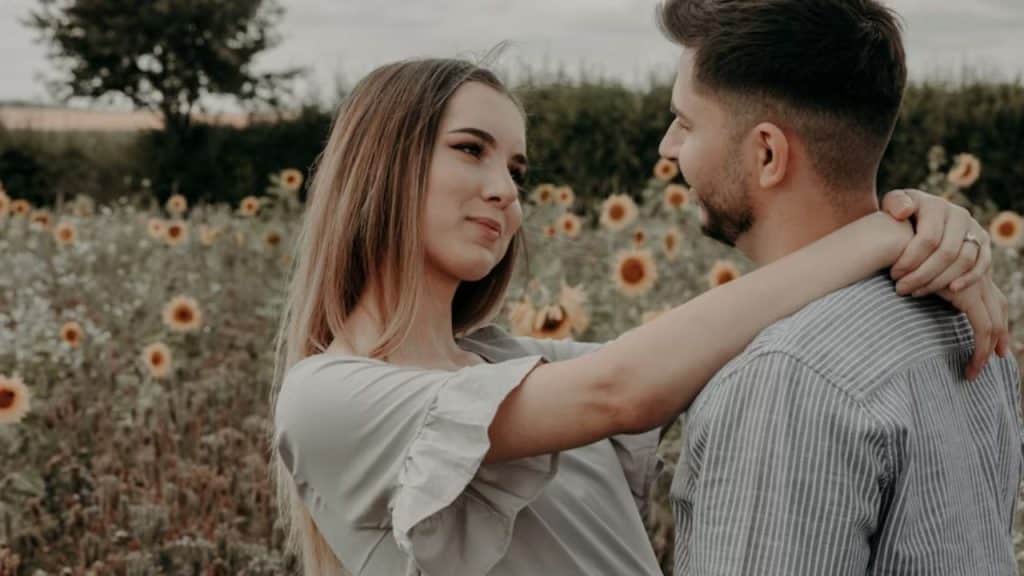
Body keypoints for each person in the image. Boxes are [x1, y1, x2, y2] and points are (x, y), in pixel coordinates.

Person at [269, 57, 1010, 576]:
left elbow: (701, 340)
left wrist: (934, 226)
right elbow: (622, 388)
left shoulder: (513, 368)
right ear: (383, 164)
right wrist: (879, 233)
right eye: (471, 150)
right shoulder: (329, 398)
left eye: (518, 171)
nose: (503, 190)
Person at [654, 0, 1023, 574]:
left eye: (686, 122)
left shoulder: (782, 379)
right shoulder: (965, 318)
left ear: (768, 154)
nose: (668, 149)